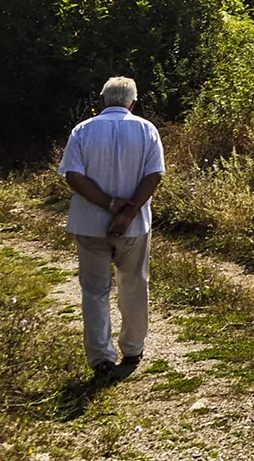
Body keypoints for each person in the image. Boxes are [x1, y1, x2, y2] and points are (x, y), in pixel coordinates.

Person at [59, 75, 165, 374]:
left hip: (90, 223)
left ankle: (101, 357)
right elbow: (154, 174)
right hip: (134, 227)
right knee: (133, 284)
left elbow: (73, 176)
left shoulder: (83, 130)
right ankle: (133, 350)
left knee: (94, 290)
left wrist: (108, 205)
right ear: (133, 101)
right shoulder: (146, 129)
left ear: (102, 100)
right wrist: (127, 214)